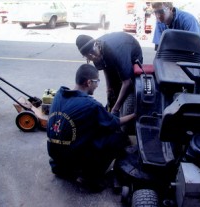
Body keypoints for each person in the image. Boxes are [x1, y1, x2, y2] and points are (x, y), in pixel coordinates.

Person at [47, 64, 136, 192]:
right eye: (97, 81)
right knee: (119, 138)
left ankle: (66, 169)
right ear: (88, 82)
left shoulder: (59, 95)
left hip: (56, 159)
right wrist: (134, 115)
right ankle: (90, 176)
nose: (97, 85)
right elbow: (115, 123)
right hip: (73, 159)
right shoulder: (91, 105)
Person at [75, 32, 143, 115]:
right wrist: (109, 90)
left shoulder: (116, 52)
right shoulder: (95, 54)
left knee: (128, 85)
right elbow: (105, 68)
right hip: (113, 53)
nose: (92, 56)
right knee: (113, 91)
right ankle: (113, 106)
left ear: (96, 44)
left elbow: (127, 81)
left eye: (92, 52)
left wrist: (115, 108)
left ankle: (120, 111)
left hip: (130, 50)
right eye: (88, 55)